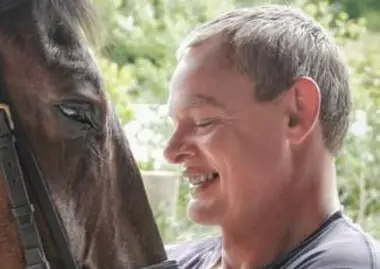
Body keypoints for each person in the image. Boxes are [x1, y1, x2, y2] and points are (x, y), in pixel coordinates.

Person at [162, 4, 380, 269]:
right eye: (175, 124)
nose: (171, 152)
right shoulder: (173, 259)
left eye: (203, 121)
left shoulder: (347, 263)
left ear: (295, 114)